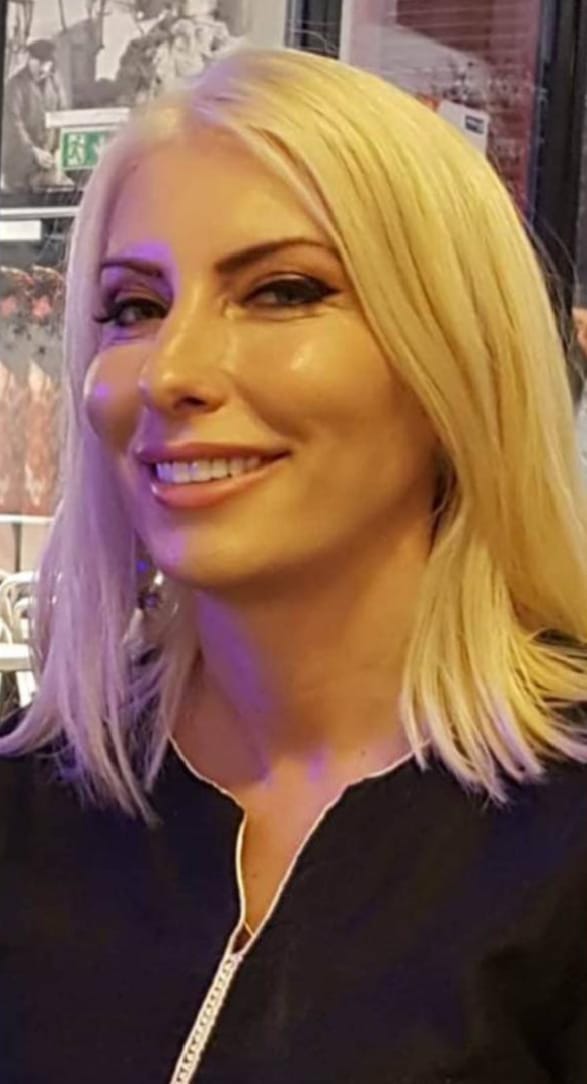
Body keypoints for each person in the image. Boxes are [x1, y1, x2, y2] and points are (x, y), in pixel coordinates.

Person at [1, 46, 587, 1083]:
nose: (172, 371)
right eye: (134, 307)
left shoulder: (558, 843)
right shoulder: (36, 806)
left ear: (451, 357)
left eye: (280, 291)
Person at [1, 40, 63, 192]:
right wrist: (33, 151)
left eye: (46, 65)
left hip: (47, 162)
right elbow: (14, 123)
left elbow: (60, 117)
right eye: (38, 63)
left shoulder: (54, 84)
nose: (42, 69)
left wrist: (57, 148)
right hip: (20, 164)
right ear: (29, 60)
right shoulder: (15, 85)